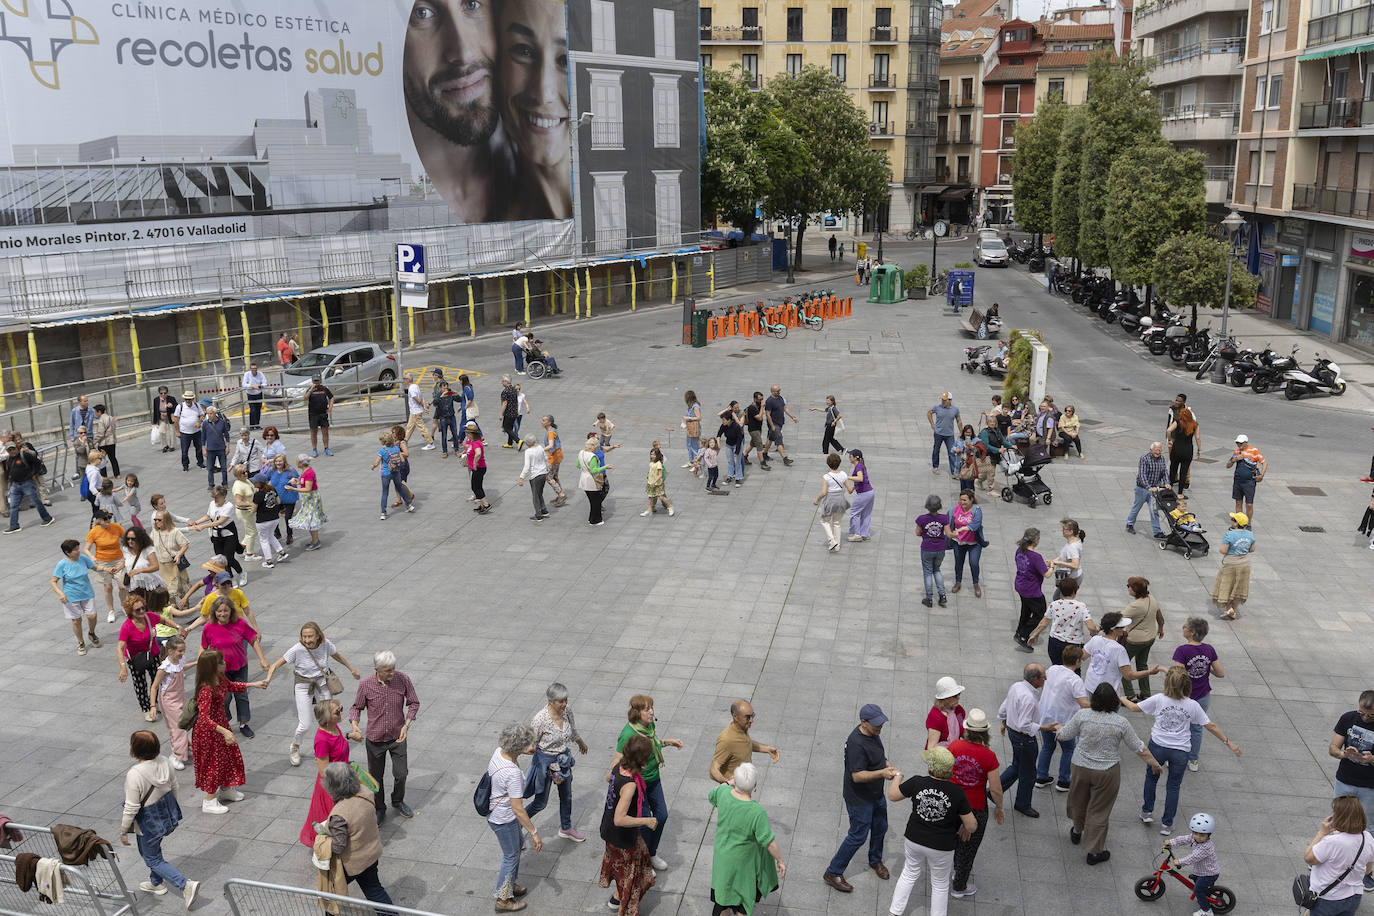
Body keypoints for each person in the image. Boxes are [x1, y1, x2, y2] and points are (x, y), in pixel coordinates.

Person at [1055, 683, 1163, 864]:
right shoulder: (1121, 723)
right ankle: (1094, 852)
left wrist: (1059, 728)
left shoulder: (1082, 715)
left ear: (1094, 699)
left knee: (1078, 799)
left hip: (1081, 767)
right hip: (1107, 772)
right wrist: (1154, 764)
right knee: (1099, 810)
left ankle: (1076, 830)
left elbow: (1064, 735)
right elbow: (1139, 747)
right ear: (1114, 701)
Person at [1138, 665, 1241, 835]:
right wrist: (1228, 743)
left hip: (1157, 746)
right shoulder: (1192, 705)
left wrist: (1120, 698)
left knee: (1151, 778)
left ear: (1167, 683)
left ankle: (1147, 812)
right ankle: (1167, 824)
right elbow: (1210, 725)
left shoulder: (1158, 699)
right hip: (1180, 750)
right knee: (1173, 786)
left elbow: (1135, 708)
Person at [886, 746, 976, 916]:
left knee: (909, 873)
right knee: (940, 883)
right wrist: (964, 826)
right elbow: (971, 826)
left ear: (931, 767)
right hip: (941, 845)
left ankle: (895, 912)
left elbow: (892, 795)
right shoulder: (957, 792)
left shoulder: (918, 782)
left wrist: (898, 776)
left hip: (914, 838)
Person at [119, 730, 199, 907]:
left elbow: (132, 806)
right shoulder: (164, 761)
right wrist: (173, 809)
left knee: (151, 857)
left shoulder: (135, 774)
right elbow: (174, 786)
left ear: (135, 749)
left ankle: (185, 885)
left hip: (147, 821)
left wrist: (124, 830)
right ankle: (156, 883)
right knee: (154, 849)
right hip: (164, 815)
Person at [266, 621, 362, 768]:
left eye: (310, 636)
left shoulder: (326, 644)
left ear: (318, 636)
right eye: (304, 637)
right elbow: (276, 664)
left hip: (322, 684)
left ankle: (333, 744)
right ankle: (295, 746)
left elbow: (337, 656)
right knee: (305, 724)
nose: (307, 640)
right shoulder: (297, 649)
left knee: (330, 717)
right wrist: (268, 678)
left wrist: (352, 669)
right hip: (303, 686)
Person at [822, 704, 897, 893]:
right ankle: (833, 872)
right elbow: (857, 775)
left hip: (875, 793)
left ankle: (875, 860)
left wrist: (886, 763)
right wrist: (882, 773)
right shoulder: (856, 743)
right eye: (877, 724)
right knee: (858, 835)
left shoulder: (873, 734)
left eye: (881, 723)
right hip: (859, 798)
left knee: (880, 827)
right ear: (863, 722)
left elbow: (877, 755)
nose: (881, 727)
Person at [345, 651, 420, 824]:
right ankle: (379, 808)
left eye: (393, 669)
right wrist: (354, 725)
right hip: (375, 739)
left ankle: (397, 800)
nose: (392, 673)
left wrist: (406, 725)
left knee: (401, 774)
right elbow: (356, 707)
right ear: (376, 669)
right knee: (375, 777)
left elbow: (414, 702)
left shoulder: (403, 679)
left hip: (397, 737)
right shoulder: (366, 684)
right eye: (387, 671)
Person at [190, 648, 268, 814]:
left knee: (227, 758)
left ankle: (226, 789)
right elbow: (203, 718)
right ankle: (209, 801)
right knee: (213, 763)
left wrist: (253, 684)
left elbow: (231, 685)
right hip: (209, 733)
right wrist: (224, 731)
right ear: (212, 667)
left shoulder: (219, 678)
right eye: (220, 662)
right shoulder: (206, 689)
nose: (225, 663)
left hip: (220, 726)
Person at [612, 695, 684, 872]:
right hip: (638, 784)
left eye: (652, 708)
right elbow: (616, 763)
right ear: (637, 713)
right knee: (644, 822)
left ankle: (651, 853)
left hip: (654, 778)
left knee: (662, 816)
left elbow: (653, 743)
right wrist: (624, 783)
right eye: (647, 709)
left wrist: (668, 742)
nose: (651, 712)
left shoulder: (648, 726)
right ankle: (643, 861)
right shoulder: (627, 734)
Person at [708, 761, 785, 916]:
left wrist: (727, 783)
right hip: (744, 865)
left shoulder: (723, 794)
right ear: (755, 786)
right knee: (744, 902)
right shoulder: (756, 811)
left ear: (735, 781)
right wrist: (780, 860)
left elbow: (712, 795)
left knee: (723, 899)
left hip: (723, 860)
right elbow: (768, 841)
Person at [947, 709, 1004, 899]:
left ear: (967, 731)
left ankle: (947, 871)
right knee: (968, 848)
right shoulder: (989, 756)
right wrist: (999, 807)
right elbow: (995, 789)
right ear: (985, 733)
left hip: (952, 802)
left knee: (950, 839)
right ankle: (959, 885)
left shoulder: (954, 746)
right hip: (975, 808)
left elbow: (943, 772)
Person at [322, 762, 395, 909]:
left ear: (333, 787)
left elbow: (338, 846)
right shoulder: (365, 791)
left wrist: (323, 838)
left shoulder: (339, 814)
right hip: (371, 854)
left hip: (353, 863)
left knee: (330, 893)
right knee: (375, 890)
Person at [599, 734, 658, 914]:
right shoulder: (630, 784)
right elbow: (620, 818)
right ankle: (624, 908)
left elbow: (608, 777)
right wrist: (646, 820)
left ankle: (617, 896)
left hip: (610, 831)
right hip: (621, 836)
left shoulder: (619, 766)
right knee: (631, 884)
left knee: (642, 860)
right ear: (642, 762)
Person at [487, 723, 541, 912]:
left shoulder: (499, 752)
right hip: (504, 819)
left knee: (516, 849)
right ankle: (503, 899)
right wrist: (533, 832)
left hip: (497, 814)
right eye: (527, 744)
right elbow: (518, 809)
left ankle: (510, 885)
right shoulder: (512, 774)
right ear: (517, 748)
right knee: (510, 856)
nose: (531, 747)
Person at [524, 682, 588, 841]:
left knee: (566, 796)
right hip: (545, 765)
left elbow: (572, 731)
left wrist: (580, 742)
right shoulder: (540, 719)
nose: (564, 704)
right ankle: (517, 825)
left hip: (563, 763)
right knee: (540, 803)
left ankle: (566, 828)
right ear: (550, 701)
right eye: (561, 701)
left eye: (566, 700)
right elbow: (531, 742)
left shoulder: (567, 712)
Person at [198, 596, 267, 736]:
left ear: (231, 611)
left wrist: (262, 659)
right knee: (224, 697)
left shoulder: (240, 623)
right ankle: (225, 720)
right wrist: (201, 664)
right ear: (214, 612)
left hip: (239, 666)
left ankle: (243, 724)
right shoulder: (208, 627)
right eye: (219, 611)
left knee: (241, 695)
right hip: (219, 671)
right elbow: (203, 647)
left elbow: (253, 640)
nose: (222, 614)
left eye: (225, 611)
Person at [1303, 795, 1374, 915]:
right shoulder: (1366, 837)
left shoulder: (1332, 842)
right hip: (1354, 896)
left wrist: (1321, 833)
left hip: (1327, 899)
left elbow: (1308, 858)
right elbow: (1367, 870)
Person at [1173, 618, 1226, 772]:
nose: (1183, 627)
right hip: (1203, 695)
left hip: (1184, 696)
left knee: (1178, 726)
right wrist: (1206, 667)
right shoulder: (1209, 649)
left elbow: (1177, 676)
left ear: (1192, 632)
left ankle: (1176, 757)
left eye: (1186, 626)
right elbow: (1221, 673)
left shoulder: (1182, 651)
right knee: (1196, 728)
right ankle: (1193, 760)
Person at [1035, 645, 1090, 791]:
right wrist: (1101, 705)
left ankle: (1041, 776)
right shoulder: (1075, 680)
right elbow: (1084, 703)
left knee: (1047, 747)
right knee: (1069, 750)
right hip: (1064, 722)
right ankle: (1064, 781)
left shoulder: (1052, 669)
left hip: (1045, 716)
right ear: (1078, 661)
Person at [998, 664, 1048, 819]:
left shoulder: (1016, 686)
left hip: (1013, 734)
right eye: (1043, 676)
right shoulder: (1029, 698)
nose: (1045, 678)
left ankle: (995, 790)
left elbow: (1004, 707)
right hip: (1024, 739)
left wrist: (1004, 721)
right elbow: (1024, 725)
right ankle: (1023, 804)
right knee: (1028, 773)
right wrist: (1045, 727)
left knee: (1017, 766)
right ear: (1035, 679)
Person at [300, 700, 352, 846]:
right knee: (334, 819)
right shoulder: (321, 740)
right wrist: (339, 792)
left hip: (343, 777)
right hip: (333, 786)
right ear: (327, 718)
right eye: (337, 711)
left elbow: (338, 741)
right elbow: (324, 772)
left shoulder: (334, 727)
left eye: (340, 708)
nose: (341, 712)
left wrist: (349, 736)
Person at [1083, 612, 1162, 696]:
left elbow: (1082, 656)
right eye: (1121, 627)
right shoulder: (1119, 650)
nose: (1123, 629)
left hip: (1089, 686)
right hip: (1107, 693)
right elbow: (1129, 676)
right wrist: (1150, 672)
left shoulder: (1095, 639)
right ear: (1113, 629)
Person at [1330, 691, 1374, 834]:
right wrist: (1343, 754)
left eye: (1371, 715)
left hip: (1370, 787)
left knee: (1367, 827)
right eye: (1361, 713)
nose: (1365, 717)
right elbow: (1333, 748)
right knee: (1338, 822)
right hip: (1345, 780)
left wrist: (1371, 759)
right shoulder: (1348, 718)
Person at [1163, 813, 1222, 916]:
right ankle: (1206, 896)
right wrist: (1171, 842)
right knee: (1201, 887)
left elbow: (1193, 857)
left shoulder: (1206, 847)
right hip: (1201, 871)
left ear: (1208, 835)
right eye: (1195, 833)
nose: (1198, 837)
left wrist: (1180, 861)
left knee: (1198, 890)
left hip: (1208, 874)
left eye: (1202, 835)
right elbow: (1184, 839)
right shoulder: (1194, 837)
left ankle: (1207, 911)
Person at [1027, 577, 1096, 665]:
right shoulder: (1081, 606)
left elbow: (1043, 623)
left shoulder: (1054, 605)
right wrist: (1094, 634)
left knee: (1056, 667)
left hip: (1055, 642)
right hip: (1073, 645)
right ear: (1075, 590)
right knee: (1072, 670)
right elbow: (1091, 627)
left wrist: (1034, 635)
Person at [710, 700, 781, 782]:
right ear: (735, 717)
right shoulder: (726, 740)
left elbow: (745, 743)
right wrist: (728, 784)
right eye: (747, 717)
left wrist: (767, 749)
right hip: (736, 791)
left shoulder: (742, 728)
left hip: (745, 786)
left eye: (752, 716)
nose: (751, 720)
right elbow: (713, 771)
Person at [188, 486, 245, 588]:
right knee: (221, 559)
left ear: (224, 496)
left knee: (229, 558)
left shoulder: (229, 506)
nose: (215, 500)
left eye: (217, 497)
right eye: (213, 497)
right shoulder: (212, 504)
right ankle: (230, 578)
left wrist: (203, 527)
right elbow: (208, 516)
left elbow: (220, 521)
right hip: (216, 535)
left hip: (229, 534)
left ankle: (241, 573)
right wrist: (196, 522)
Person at [52, 538, 101, 656]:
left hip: (87, 593)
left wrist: (106, 569)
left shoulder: (83, 559)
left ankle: (92, 633)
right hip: (71, 596)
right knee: (76, 620)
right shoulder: (62, 564)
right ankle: (81, 642)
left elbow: (95, 567)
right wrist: (61, 593)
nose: (78, 551)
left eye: (78, 548)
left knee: (92, 615)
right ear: (67, 552)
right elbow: (53, 581)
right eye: (75, 550)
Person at [149, 636, 190, 770]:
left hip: (179, 698)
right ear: (170, 651)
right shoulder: (164, 668)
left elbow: (183, 667)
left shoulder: (179, 660)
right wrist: (153, 706)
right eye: (180, 651)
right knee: (178, 728)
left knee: (184, 724)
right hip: (169, 701)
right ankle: (176, 755)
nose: (182, 653)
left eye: (183, 650)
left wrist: (197, 663)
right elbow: (154, 686)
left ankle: (184, 748)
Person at [1121, 577, 1166, 700]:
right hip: (1150, 638)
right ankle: (1145, 693)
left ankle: (1130, 694)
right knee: (1142, 664)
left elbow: (1119, 619)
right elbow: (1160, 618)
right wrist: (1160, 629)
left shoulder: (1135, 605)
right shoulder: (1152, 599)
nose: (1128, 588)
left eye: (1128, 586)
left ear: (1135, 590)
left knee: (1122, 665)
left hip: (1134, 641)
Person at [1012, 528, 1053, 651]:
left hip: (1020, 585)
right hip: (1032, 590)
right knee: (1040, 613)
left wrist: (1041, 564)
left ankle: (1019, 632)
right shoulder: (1036, 556)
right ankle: (1023, 636)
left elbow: (1029, 566)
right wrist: (1051, 566)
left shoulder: (1019, 550)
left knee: (1026, 610)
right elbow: (1047, 574)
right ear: (1036, 541)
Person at [85, 510, 128, 624]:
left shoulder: (117, 527)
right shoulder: (94, 531)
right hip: (103, 562)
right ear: (99, 520)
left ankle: (124, 606)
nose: (108, 520)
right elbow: (86, 549)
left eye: (109, 517)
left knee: (122, 586)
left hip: (118, 559)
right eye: (105, 518)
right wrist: (92, 557)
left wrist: (128, 552)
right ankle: (111, 610)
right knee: (108, 587)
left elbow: (126, 540)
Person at [3, 440, 54, 533]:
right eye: (9, 450)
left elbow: (37, 463)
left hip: (27, 483)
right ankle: (14, 526)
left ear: (16, 448)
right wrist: (9, 478)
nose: (12, 451)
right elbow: (9, 470)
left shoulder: (24, 455)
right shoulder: (9, 459)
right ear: (7, 451)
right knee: (13, 506)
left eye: (13, 449)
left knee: (36, 502)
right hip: (15, 485)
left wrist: (34, 474)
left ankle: (47, 518)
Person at [1212, 511, 1256, 620]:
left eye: (1233, 519)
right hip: (1245, 564)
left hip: (1231, 564)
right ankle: (1233, 610)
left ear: (1236, 524)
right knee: (1238, 588)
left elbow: (1222, 550)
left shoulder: (1229, 534)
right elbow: (1252, 549)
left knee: (1227, 586)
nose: (1231, 521)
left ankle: (1229, 609)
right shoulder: (1250, 534)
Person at [1127, 441, 1169, 537]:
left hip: (1155, 490)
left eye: (1159, 450)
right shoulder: (1144, 458)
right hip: (1142, 489)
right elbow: (1142, 475)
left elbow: (1164, 472)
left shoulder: (1162, 459)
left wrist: (1167, 482)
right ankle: (1130, 524)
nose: (1158, 452)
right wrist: (1148, 487)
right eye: (1156, 450)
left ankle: (1157, 532)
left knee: (1154, 511)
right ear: (1151, 450)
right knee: (1136, 507)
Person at [372, 431, 416, 520]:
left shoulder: (382, 451)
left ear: (383, 442)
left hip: (385, 473)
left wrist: (373, 466)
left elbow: (377, 462)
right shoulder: (396, 448)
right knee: (399, 488)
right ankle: (408, 505)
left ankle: (383, 513)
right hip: (396, 471)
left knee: (385, 492)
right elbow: (403, 460)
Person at [814, 453, 853, 551]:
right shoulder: (843, 474)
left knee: (824, 521)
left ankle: (832, 541)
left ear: (828, 463)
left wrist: (817, 500)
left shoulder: (826, 477)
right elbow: (850, 490)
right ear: (839, 463)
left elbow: (823, 493)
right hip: (840, 500)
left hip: (830, 501)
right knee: (837, 523)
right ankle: (837, 545)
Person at [915, 494, 949, 606]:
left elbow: (917, 533)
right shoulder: (944, 518)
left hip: (927, 547)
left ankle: (929, 598)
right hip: (940, 547)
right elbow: (948, 533)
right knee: (937, 570)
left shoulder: (921, 519)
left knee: (928, 572)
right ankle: (942, 594)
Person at [948, 491, 984, 597]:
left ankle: (976, 583)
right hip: (958, 542)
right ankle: (958, 582)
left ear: (971, 499)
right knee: (958, 563)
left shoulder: (976, 510)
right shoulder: (954, 509)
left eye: (964, 500)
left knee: (974, 563)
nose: (961, 502)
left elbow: (976, 524)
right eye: (960, 499)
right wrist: (950, 533)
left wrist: (962, 529)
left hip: (974, 543)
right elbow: (947, 522)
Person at [286, 455, 325, 550]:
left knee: (312, 519)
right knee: (309, 519)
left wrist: (293, 489)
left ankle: (316, 542)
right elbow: (304, 482)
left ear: (301, 463)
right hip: (308, 499)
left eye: (297, 461)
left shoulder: (309, 473)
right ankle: (314, 540)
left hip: (311, 499)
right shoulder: (305, 471)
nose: (296, 463)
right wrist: (297, 482)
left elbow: (308, 488)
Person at [150, 513, 190, 604]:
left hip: (174, 564)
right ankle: (173, 605)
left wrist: (178, 555)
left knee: (179, 587)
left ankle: (184, 601)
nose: (156, 522)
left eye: (159, 520)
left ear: (166, 520)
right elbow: (149, 543)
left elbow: (185, 544)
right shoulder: (155, 532)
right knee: (168, 588)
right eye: (155, 520)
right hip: (163, 565)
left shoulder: (174, 531)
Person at [1226, 433, 1265, 519]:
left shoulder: (1254, 450)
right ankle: (1240, 522)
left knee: (1249, 504)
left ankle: (1248, 524)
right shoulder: (1236, 452)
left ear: (1246, 442)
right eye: (1237, 443)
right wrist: (1234, 460)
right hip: (1238, 481)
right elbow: (1227, 466)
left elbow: (1264, 462)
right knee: (1238, 502)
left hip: (1249, 482)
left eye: (1240, 443)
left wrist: (1261, 475)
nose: (1239, 445)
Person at [1166, 395, 1201, 492]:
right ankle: (1180, 492)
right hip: (1188, 450)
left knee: (1173, 468)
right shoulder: (1194, 424)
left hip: (1176, 448)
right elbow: (1197, 437)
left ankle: (1170, 488)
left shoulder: (1178, 422)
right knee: (1184, 471)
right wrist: (1199, 449)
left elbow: (1169, 430)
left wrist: (1169, 440)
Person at [925, 676, 966, 749]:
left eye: (959, 694)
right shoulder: (935, 717)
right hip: (941, 757)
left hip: (956, 752)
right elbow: (931, 748)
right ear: (945, 698)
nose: (959, 697)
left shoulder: (959, 710)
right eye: (955, 696)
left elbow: (964, 731)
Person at [517, 434, 551, 521]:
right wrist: (547, 465)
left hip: (535, 476)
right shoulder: (540, 447)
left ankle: (538, 514)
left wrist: (521, 477)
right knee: (540, 493)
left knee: (535, 495)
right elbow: (546, 457)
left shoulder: (528, 452)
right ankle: (544, 510)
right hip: (543, 473)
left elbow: (527, 466)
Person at [762, 385, 798, 466]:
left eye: (779, 390)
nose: (779, 392)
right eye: (777, 391)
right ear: (772, 391)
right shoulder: (769, 401)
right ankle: (785, 458)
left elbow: (785, 408)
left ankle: (764, 454)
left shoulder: (780, 398)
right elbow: (768, 414)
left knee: (770, 438)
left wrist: (792, 417)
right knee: (779, 440)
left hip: (780, 423)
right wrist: (772, 426)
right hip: (774, 424)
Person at [927, 392, 961, 477]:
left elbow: (959, 420)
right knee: (936, 449)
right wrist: (932, 424)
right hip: (938, 433)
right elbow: (929, 413)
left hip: (949, 434)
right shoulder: (937, 407)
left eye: (945, 400)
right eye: (942, 399)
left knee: (952, 452)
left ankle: (954, 472)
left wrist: (961, 432)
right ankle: (935, 466)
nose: (943, 401)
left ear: (950, 400)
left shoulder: (955, 409)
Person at [577, 434, 608, 526]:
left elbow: (578, 465)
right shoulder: (592, 456)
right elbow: (594, 470)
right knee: (596, 501)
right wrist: (605, 467)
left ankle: (591, 518)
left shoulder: (581, 452)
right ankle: (595, 520)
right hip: (591, 481)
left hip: (583, 478)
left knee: (592, 500)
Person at [846, 449, 875, 542]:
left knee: (854, 512)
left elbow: (860, 478)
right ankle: (864, 534)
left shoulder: (858, 466)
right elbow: (851, 490)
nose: (849, 457)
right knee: (866, 514)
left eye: (850, 456)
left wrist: (847, 477)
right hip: (870, 492)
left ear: (855, 458)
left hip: (864, 493)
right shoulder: (861, 466)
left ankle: (857, 534)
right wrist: (846, 483)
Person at [463, 423, 492, 514]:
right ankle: (482, 505)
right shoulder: (473, 442)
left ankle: (486, 504)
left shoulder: (476, 443)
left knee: (475, 487)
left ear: (472, 434)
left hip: (479, 468)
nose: (466, 435)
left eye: (468, 433)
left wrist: (475, 463)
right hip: (478, 468)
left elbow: (478, 453)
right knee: (478, 486)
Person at [201, 405, 231, 489]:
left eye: (211, 413)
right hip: (210, 449)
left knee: (223, 467)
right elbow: (203, 437)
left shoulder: (222, 422)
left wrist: (228, 446)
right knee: (210, 468)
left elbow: (226, 435)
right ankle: (211, 484)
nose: (209, 415)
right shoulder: (205, 423)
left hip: (221, 448)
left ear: (215, 413)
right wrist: (203, 448)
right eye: (208, 414)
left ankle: (224, 483)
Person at [173, 391, 204, 471]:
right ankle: (185, 465)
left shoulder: (197, 405)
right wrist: (177, 431)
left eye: (189, 399)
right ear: (184, 399)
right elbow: (176, 419)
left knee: (199, 448)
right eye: (186, 399)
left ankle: (200, 462)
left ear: (193, 399)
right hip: (185, 432)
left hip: (196, 432)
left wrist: (199, 422)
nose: (188, 401)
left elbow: (201, 415)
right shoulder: (180, 406)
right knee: (184, 450)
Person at [403, 374, 436, 449]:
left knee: (422, 428)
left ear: (408, 379)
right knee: (409, 427)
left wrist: (423, 407)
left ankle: (430, 443)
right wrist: (424, 407)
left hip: (415, 412)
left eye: (404, 378)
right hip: (414, 411)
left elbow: (416, 398)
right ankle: (404, 441)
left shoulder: (411, 388)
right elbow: (422, 397)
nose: (403, 380)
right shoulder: (416, 386)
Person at [305, 376, 335, 457]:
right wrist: (311, 390)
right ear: (312, 381)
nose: (316, 382)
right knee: (313, 432)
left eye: (317, 380)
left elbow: (331, 397)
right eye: (314, 381)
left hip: (323, 413)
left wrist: (330, 407)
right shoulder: (310, 389)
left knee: (325, 432)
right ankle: (314, 449)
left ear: (320, 381)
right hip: (313, 414)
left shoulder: (324, 388)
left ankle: (326, 448)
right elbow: (304, 398)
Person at [642, 446, 674, 517]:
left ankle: (670, 507)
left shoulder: (659, 464)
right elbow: (651, 471)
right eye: (651, 454)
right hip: (651, 482)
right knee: (651, 497)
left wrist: (654, 481)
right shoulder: (652, 462)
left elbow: (660, 475)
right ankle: (649, 510)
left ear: (657, 455)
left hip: (657, 483)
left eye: (653, 454)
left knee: (661, 497)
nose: (652, 456)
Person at [742, 391, 770, 470]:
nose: (761, 401)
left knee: (752, 444)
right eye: (760, 399)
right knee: (759, 446)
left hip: (758, 429)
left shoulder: (757, 405)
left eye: (762, 399)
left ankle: (744, 456)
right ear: (755, 399)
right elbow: (760, 418)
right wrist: (762, 407)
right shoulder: (752, 408)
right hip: (754, 430)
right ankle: (763, 463)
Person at [91, 403, 121, 477]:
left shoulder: (101, 420)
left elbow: (100, 434)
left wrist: (93, 442)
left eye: (95, 412)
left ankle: (104, 476)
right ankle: (117, 474)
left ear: (99, 412)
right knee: (113, 458)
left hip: (104, 443)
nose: (95, 414)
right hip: (112, 441)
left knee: (102, 459)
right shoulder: (111, 418)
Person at [241, 362, 267, 429]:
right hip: (250, 394)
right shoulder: (247, 374)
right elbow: (244, 384)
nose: (254, 370)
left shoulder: (260, 374)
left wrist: (261, 386)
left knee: (258, 410)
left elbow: (265, 383)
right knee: (252, 410)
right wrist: (252, 386)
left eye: (255, 369)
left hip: (258, 394)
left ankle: (257, 424)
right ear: (250, 369)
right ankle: (252, 425)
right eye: (252, 369)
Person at [151, 387, 177, 453]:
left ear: (167, 393)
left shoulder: (171, 398)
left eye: (165, 393)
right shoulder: (156, 400)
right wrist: (155, 420)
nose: (163, 394)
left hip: (170, 417)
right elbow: (155, 410)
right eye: (161, 393)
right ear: (159, 393)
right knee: (161, 431)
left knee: (172, 431)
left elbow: (177, 407)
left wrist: (172, 406)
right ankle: (164, 446)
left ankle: (172, 446)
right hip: (161, 417)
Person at [682, 390, 703, 468]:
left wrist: (688, 417)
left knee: (694, 446)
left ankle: (696, 463)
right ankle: (691, 461)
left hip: (694, 428)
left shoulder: (695, 407)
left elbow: (699, 417)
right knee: (689, 445)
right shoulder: (690, 406)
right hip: (690, 427)